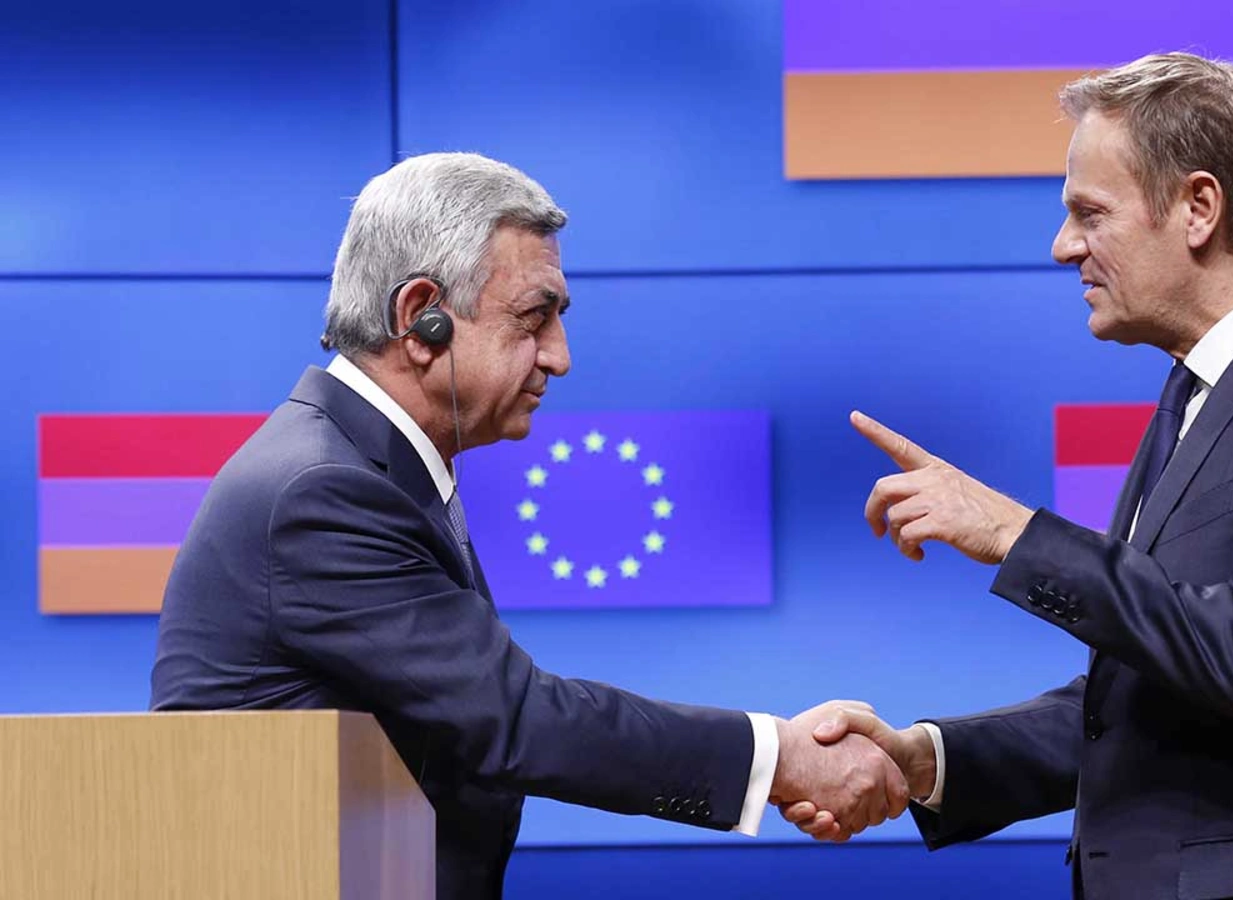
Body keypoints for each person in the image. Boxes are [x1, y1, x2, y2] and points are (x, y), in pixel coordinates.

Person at [784, 53, 1233, 900]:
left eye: (1088, 212)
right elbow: (1151, 695)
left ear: (1198, 208)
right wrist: (930, 760)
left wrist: (1015, 535)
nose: (1064, 245)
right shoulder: (1199, 390)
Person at [149, 152, 906, 900]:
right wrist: (775, 758)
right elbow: (513, 721)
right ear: (422, 320)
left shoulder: (366, 467)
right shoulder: (326, 490)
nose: (560, 358)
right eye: (533, 319)